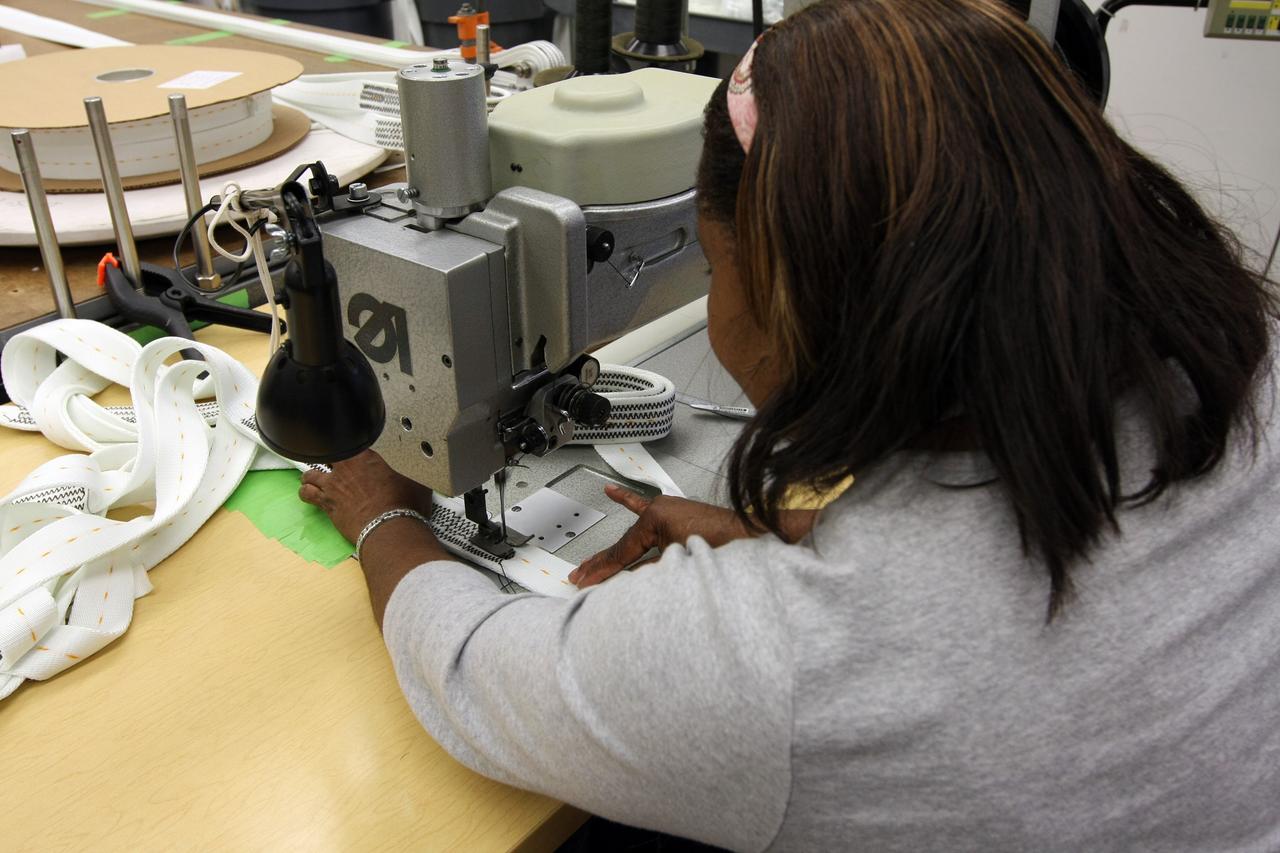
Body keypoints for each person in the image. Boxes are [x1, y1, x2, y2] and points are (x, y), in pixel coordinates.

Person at [298, 0, 1280, 848]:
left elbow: (471, 671)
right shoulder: (1249, 371)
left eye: (718, 270)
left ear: (797, 294)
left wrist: (382, 509)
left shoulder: (782, 663)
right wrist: (808, 536)